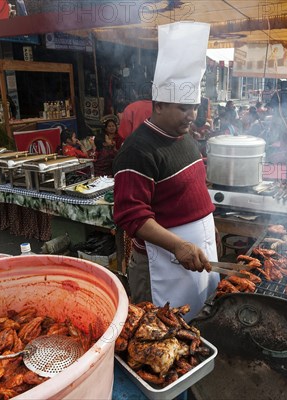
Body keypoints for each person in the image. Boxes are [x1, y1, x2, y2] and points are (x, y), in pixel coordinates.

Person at [113, 21, 219, 319]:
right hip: (161, 265)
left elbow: (194, 190)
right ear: (158, 105)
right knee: (160, 333)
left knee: (195, 327)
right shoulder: (138, 150)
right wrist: (179, 245)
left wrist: (211, 230)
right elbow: (130, 215)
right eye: (183, 107)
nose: (192, 115)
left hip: (194, 255)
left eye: (194, 107)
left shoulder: (184, 138)